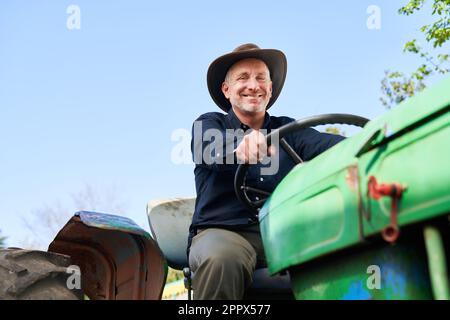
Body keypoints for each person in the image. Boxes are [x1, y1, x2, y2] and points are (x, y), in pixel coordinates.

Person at [188, 43, 344, 299]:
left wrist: (378, 139)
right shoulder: (209, 124)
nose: (253, 85)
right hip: (225, 232)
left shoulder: (290, 131)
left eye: (261, 78)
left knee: (343, 248)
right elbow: (208, 148)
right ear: (226, 90)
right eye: (243, 77)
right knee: (222, 258)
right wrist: (239, 147)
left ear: (270, 88)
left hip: (283, 230)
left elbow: (332, 147)